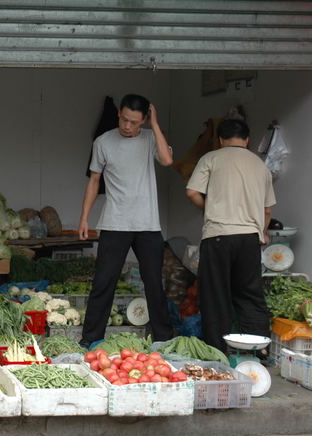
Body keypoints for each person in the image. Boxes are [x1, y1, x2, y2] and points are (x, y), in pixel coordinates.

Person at [77, 94, 174, 348]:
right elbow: (94, 181)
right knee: (103, 282)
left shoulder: (151, 138)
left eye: (134, 122)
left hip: (148, 225)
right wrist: (85, 218)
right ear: (119, 113)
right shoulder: (103, 142)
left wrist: (155, 125)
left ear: (144, 120)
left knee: (154, 282)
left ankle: (163, 338)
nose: (128, 126)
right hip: (114, 223)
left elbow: (167, 160)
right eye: (124, 119)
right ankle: (90, 339)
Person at [185, 118, 275, 354]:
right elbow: (267, 210)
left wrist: (209, 208)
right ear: (247, 140)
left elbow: (192, 192)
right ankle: (259, 348)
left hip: (218, 236)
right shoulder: (260, 165)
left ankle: (218, 351)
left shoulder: (211, 158)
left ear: (220, 140)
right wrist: (262, 231)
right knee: (250, 294)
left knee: (215, 296)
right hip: (248, 239)